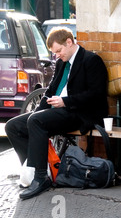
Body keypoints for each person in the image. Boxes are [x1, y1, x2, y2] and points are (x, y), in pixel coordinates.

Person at [5, 27, 108, 200]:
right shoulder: (61, 62)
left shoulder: (91, 60)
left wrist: (65, 102)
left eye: (59, 51)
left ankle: (41, 178)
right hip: (58, 110)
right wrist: (38, 110)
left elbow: (96, 94)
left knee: (36, 121)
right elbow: (50, 90)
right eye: (54, 53)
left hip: (79, 113)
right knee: (13, 126)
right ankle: (30, 170)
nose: (57, 55)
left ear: (69, 42)